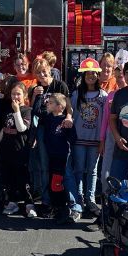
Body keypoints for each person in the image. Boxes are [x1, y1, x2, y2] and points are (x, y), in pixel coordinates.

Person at [28, 56, 71, 212]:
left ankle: (62, 199)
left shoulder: (60, 85)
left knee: (61, 166)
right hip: (42, 129)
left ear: (49, 69)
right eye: (38, 73)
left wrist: (69, 117)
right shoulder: (35, 88)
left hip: (58, 129)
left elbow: (68, 106)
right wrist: (34, 96)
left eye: (44, 71)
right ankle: (46, 200)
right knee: (44, 165)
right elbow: (32, 111)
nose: (42, 76)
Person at [67, 57, 107, 218]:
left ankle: (90, 199)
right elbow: (71, 113)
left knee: (92, 170)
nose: (91, 76)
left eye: (94, 73)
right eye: (87, 74)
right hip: (79, 139)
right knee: (78, 169)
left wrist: (102, 140)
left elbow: (104, 120)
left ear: (98, 75)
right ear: (83, 77)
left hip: (95, 139)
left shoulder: (103, 96)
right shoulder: (76, 94)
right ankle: (79, 199)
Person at [0, 81, 36, 218]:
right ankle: (12, 202)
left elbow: (21, 128)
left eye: (18, 94)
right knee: (10, 178)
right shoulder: (7, 110)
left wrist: (17, 111)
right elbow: (3, 130)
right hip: (7, 151)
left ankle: (29, 204)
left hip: (21, 151)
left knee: (24, 179)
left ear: (24, 95)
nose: (15, 97)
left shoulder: (27, 111)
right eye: (13, 94)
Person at [42, 93, 76, 223]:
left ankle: (63, 210)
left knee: (57, 183)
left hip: (62, 156)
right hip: (51, 155)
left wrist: (69, 117)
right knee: (52, 183)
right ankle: (56, 208)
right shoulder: (49, 118)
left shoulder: (65, 121)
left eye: (51, 103)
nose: (48, 104)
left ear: (60, 107)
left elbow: (72, 138)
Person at [99, 54, 128, 198]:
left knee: (125, 167)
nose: (120, 79)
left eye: (122, 76)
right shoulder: (110, 95)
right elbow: (105, 119)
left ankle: (124, 195)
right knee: (107, 166)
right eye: (117, 77)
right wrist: (102, 139)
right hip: (111, 134)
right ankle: (106, 194)